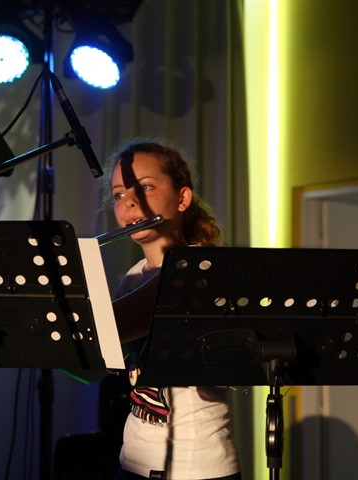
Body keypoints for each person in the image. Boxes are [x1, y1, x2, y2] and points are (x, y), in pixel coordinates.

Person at [106, 138, 242, 480]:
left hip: (196, 467)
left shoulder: (197, 269)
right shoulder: (134, 275)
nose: (129, 202)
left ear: (182, 198)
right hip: (135, 460)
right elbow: (102, 356)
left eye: (145, 187)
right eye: (119, 194)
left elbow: (109, 328)